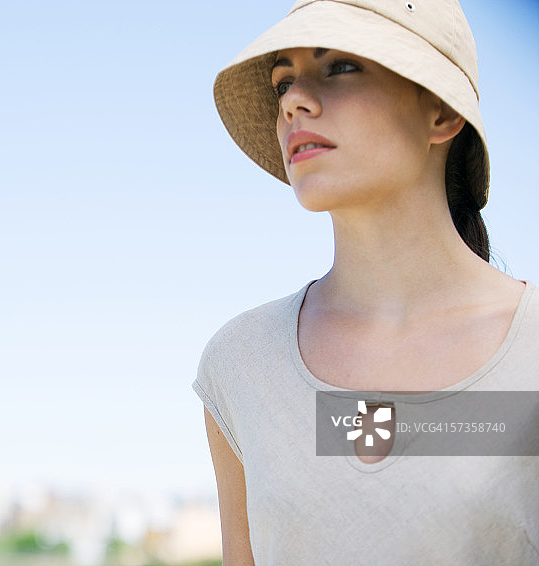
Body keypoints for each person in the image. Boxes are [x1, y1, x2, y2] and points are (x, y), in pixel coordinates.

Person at [192, 0, 539, 564]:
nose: (294, 102)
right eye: (283, 81)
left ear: (441, 113)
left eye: (341, 67)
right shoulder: (242, 364)